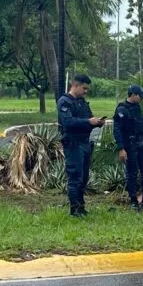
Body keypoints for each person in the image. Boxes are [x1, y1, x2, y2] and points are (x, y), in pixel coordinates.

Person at [57, 74, 105, 217]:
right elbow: (68, 122)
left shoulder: (83, 102)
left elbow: (88, 119)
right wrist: (88, 122)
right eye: (84, 88)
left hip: (85, 143)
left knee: (83, 178)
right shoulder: (65, 102)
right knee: (75, 177)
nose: (85, 91)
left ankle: (81, 206)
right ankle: (74, 209)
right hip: (73, 144)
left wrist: (96, 123)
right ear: (75, 85)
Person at [113, 84, 143, 211]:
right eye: (140, 96)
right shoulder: (122, 109)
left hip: (140, 144)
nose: (141, 99)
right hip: (129, 145)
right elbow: (117, 130)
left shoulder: (137, 108)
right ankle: (133, 201)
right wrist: (121, 148)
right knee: (132, 174)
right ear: (133, 95)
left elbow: (141, 127)